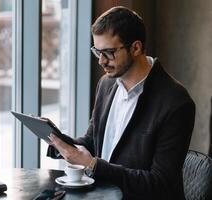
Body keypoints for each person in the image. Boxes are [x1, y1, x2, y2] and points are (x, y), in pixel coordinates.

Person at [47, 6, 195, 200]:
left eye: (108, 52)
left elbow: (160, 184)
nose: (101, 61)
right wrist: (60, 142)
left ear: (136, 48)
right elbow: (93, 141)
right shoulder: (106, 85)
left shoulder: (176, 102)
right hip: (102, 195)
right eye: (97, 51)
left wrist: (94, 166)